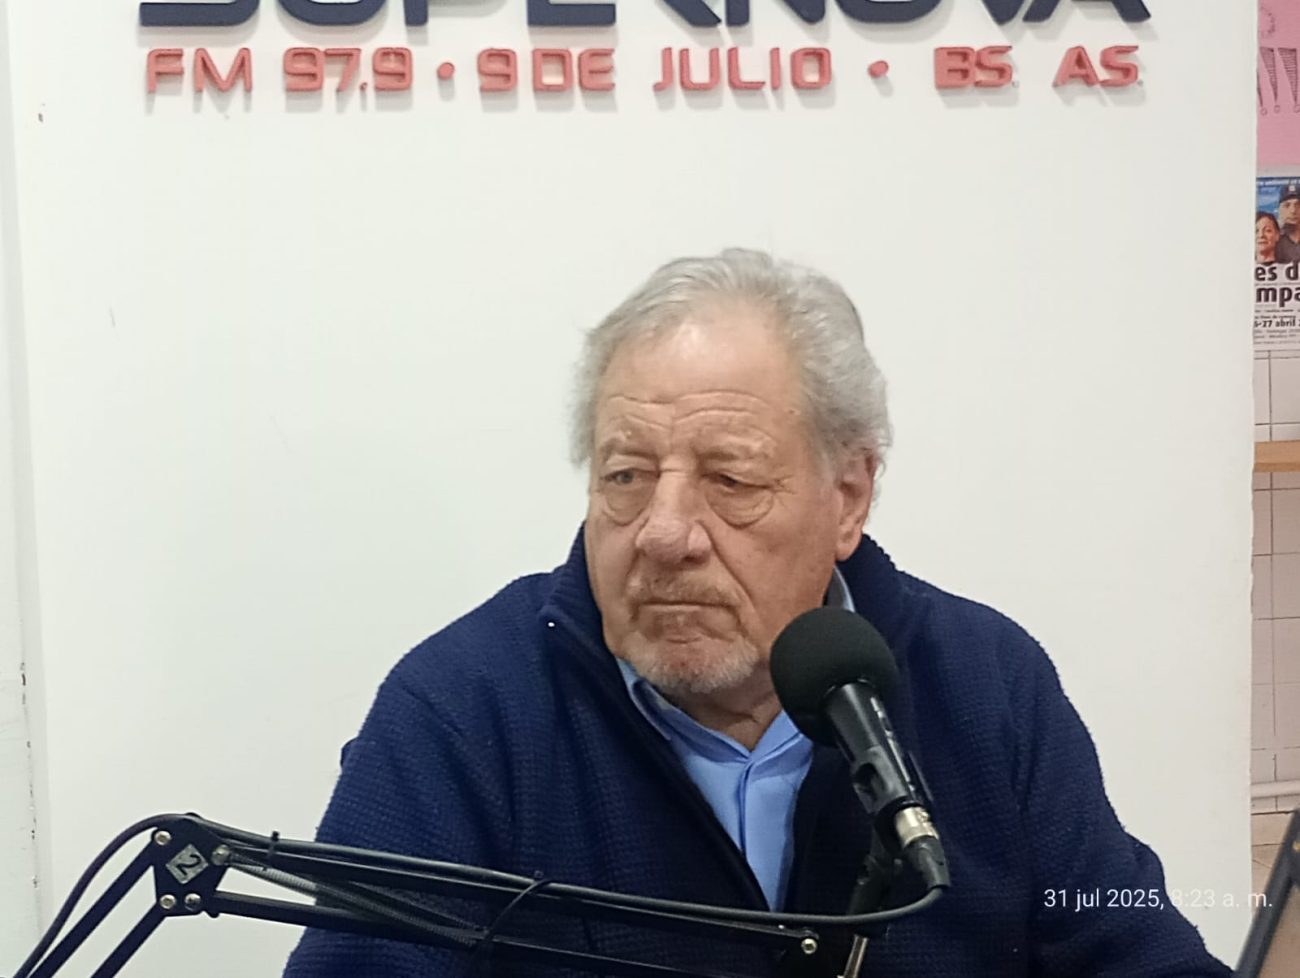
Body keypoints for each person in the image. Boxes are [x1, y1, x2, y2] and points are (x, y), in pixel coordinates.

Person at [283, 249, 1229, 977]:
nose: (663, 533)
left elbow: (1131, 948)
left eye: (730, 481)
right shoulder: (464, 710)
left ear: (848, 497)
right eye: (626, 476)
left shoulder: (985, 684)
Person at [1275, 185, 1300, 263]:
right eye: (1287, 205)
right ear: (1280, 210)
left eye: (1298, 205)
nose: (1293, 211)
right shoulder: (1273, 241)